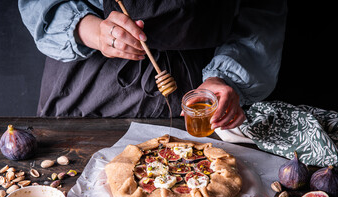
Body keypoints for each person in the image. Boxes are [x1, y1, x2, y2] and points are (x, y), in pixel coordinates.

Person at [18, 0, 287, 130]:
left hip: (206, 79)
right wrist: (94, 31)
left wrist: (226, 76)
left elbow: (261, 8)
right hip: (94, 76)